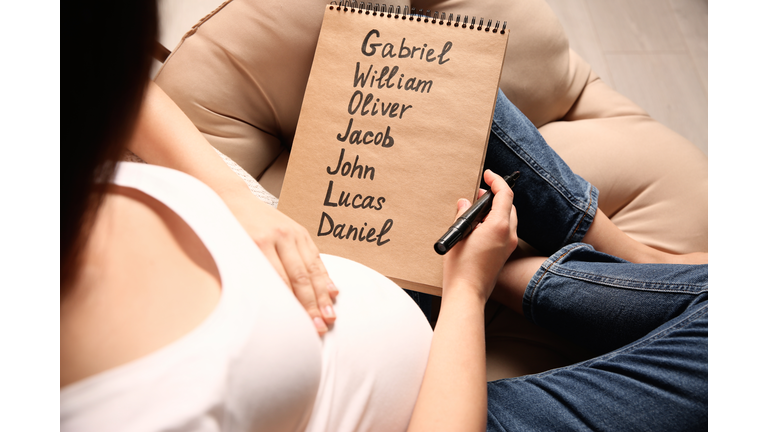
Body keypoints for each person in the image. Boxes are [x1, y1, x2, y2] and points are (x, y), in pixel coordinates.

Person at [62, 2, 707, 431]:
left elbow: (101, 79)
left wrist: (235, 201)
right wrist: (466, 289)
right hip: (441, 407)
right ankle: (524, 279)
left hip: (365, 254)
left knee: (417, 61)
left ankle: (613, 258)